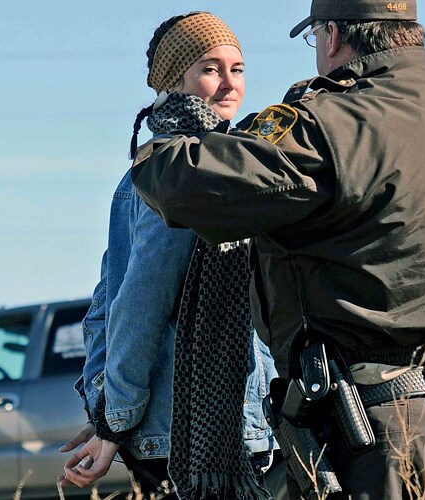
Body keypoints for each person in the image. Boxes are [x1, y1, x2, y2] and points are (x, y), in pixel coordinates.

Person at [131, 0, 425, 498]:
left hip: (379, 432)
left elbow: (178, 184)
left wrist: (165, 134)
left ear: (332, 35)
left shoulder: (332, 121)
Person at [58, 12, 276, 499]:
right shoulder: (182, 172)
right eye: (210, 68)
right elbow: (132, 304)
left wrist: (109, 417)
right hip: (192, 435)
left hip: (227, 425)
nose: (228, 83)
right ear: (171, 80)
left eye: (236, 69)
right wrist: (112, 419)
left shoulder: (229, 163)